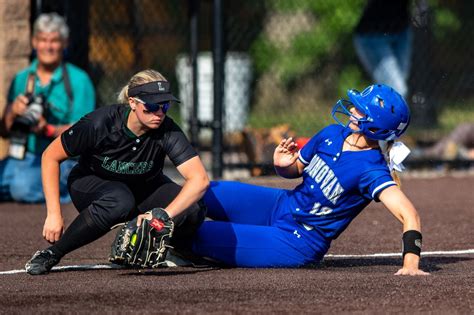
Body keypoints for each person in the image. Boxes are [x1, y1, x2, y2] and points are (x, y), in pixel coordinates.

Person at [191, 84, 429, 276]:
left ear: (377, 127)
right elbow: (295, 170)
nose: (353, 110)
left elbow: (410, 215)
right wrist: (282, 166)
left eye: (361, 110)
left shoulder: (371, 170)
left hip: (298, 241)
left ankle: (168, 246)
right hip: (280, 204)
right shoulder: (332, 133)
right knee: (205, 191)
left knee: (199, 234)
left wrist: (411, 264)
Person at [24, 69, 209, 275]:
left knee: (194, 208)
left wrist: (162, 215)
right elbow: (50, 156)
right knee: (120, 200)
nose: (159, 113)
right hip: (92, 182)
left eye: (165, 106)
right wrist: (53, 214)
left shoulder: (166, 129)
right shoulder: (100, 123)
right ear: (132, 102)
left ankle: (173, 250)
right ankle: (52, 253)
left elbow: (199, 179)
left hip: (143, 186)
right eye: (151, 106)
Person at [0, 12, 95, 203]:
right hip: (24, 157)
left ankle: (76, 191)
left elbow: (87, 134)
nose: (48, 47)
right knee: (16, 182)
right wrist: (13, 112)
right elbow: (3, 131)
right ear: (34, 42)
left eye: (54, 41)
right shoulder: (22, 78)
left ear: (64, 43)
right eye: (43, 40)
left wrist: (48, 129)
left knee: (21, 188)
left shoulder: (79, 80)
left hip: (63, 161)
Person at [353, 0, 412, 99]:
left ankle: (379, 110)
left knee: (397, 89)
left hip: (402, 31)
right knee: (397, 91)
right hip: (372, 35)